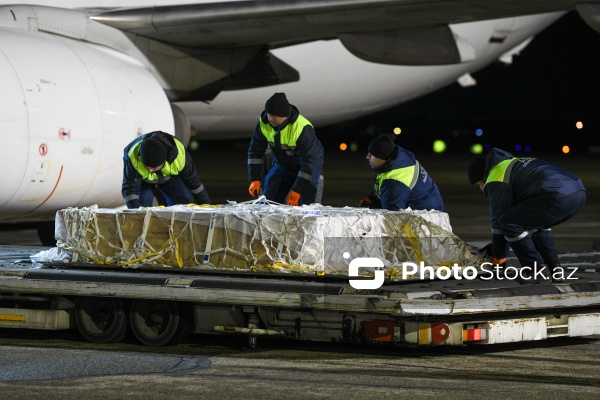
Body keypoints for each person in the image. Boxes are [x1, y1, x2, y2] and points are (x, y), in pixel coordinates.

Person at [468, 147, 586, 281]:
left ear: (482, 176)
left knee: (508, 223)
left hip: (556, 195)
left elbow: (498, 222)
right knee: (536, 222)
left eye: (478, 184)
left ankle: (534, 268)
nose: (481, 188)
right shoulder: (511, 163)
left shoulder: (495, 177)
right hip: (578, 193)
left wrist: (499, 257)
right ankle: (554, 267)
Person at [247, 92, 324, 206]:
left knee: (305, 205)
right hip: (283, 165)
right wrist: (255, 178)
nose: (269, 118)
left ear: (284, 116)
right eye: (268, 113)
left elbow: (309, 161)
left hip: (307, 166)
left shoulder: (302, 128)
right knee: (269, 200)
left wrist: (298, 190)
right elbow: (255, 151)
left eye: (273, 115)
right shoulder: (264, 123)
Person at [122, 131, 211, 208]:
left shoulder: (180, 157)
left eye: (154, 167)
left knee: (183, 205)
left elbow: (194, 183)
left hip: (171, 178)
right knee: (141, 209)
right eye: (147, 166)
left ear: (164, 160)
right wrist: (137, 215)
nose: (150, 170)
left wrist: (207, 205)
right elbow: (130, 189)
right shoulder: (133, 157)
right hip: (143, 181)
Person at [359, 133, 444, 211]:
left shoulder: (397, 179)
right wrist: (373, 199)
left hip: (426, 221)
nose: (367, 157)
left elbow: (391, 215)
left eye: (372, 154)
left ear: (383, 157)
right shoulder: (397, 159)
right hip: (429, 212)